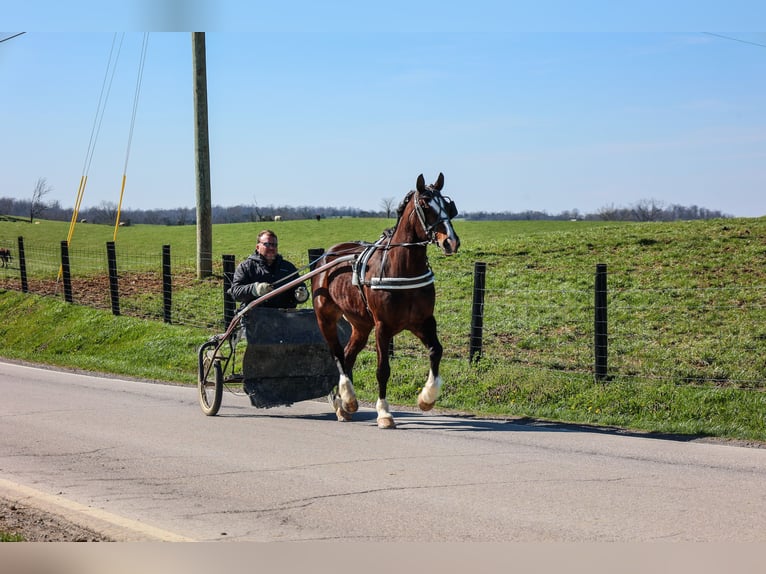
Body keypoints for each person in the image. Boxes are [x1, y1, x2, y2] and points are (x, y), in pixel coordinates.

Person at [228, 229, 309, 309]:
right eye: (267, 244)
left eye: (274, 245)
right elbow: (235, 292)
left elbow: (300, 288)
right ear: (257, 247)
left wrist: (302, 296)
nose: (271, 248)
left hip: (285, 318)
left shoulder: (288, 267)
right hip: (255, 317)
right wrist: (255, 289)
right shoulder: (246, 267)